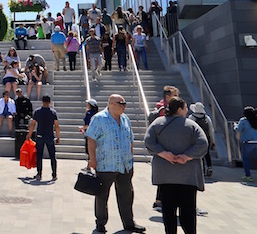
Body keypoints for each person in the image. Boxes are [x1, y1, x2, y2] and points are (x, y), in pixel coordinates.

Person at [144, 97, 208, 234]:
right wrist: (187, 156)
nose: (186, 111)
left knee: (168, 212)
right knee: (188, 211)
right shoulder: (191, 125)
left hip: (165, 176)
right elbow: (203, 144)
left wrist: (162, 153)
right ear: (179, 109)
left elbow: (148, 140)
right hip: (188, 176)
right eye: (185, 108)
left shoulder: (157, 123)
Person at [85, 95, 146, 234]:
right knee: (102, 195)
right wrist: (92, 159)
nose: (124, 106)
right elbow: (91, 139)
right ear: (112, 104)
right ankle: (100, 224)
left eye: (125, 103)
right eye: (121, 103)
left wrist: (131, 158)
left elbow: (130, 139)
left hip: (124, 165)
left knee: (127, 194)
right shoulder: (99, 118)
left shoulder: (125, 119)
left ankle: (129, 223)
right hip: (106, 165)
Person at [27, 95, 60, 181]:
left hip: (40, 136)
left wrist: (29, 134)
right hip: (49, 136)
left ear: (42, 101)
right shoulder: (53, 113)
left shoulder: (37, 112)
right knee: (52, 156)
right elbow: (56, 126)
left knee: (39, 156)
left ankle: (39, 174)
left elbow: (33, 124)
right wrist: (58, 137)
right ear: (50, 102)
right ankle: (54, 174)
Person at [188, 102, 215, 177]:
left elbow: (189, 129)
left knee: (200, 155)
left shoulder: (192, 117)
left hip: (196, 138)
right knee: (207, 154)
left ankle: (202, 170)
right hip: (207, 138)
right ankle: (209, 167)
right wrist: (213, 141)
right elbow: (211, 130)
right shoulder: (207, 118)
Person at [235, 105, 257, 183]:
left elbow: (238, 129)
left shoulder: (243, 120)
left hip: (248, 143)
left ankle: (248, 176)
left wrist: (235, 125)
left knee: (246, 159)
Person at [81, 99, 100, 168]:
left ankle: (90, 165)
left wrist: (82, 128)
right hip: (97, 134)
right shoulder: (97, 113)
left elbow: (88, 124)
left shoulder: (89, 114)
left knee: (89, 150)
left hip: (90, 135)